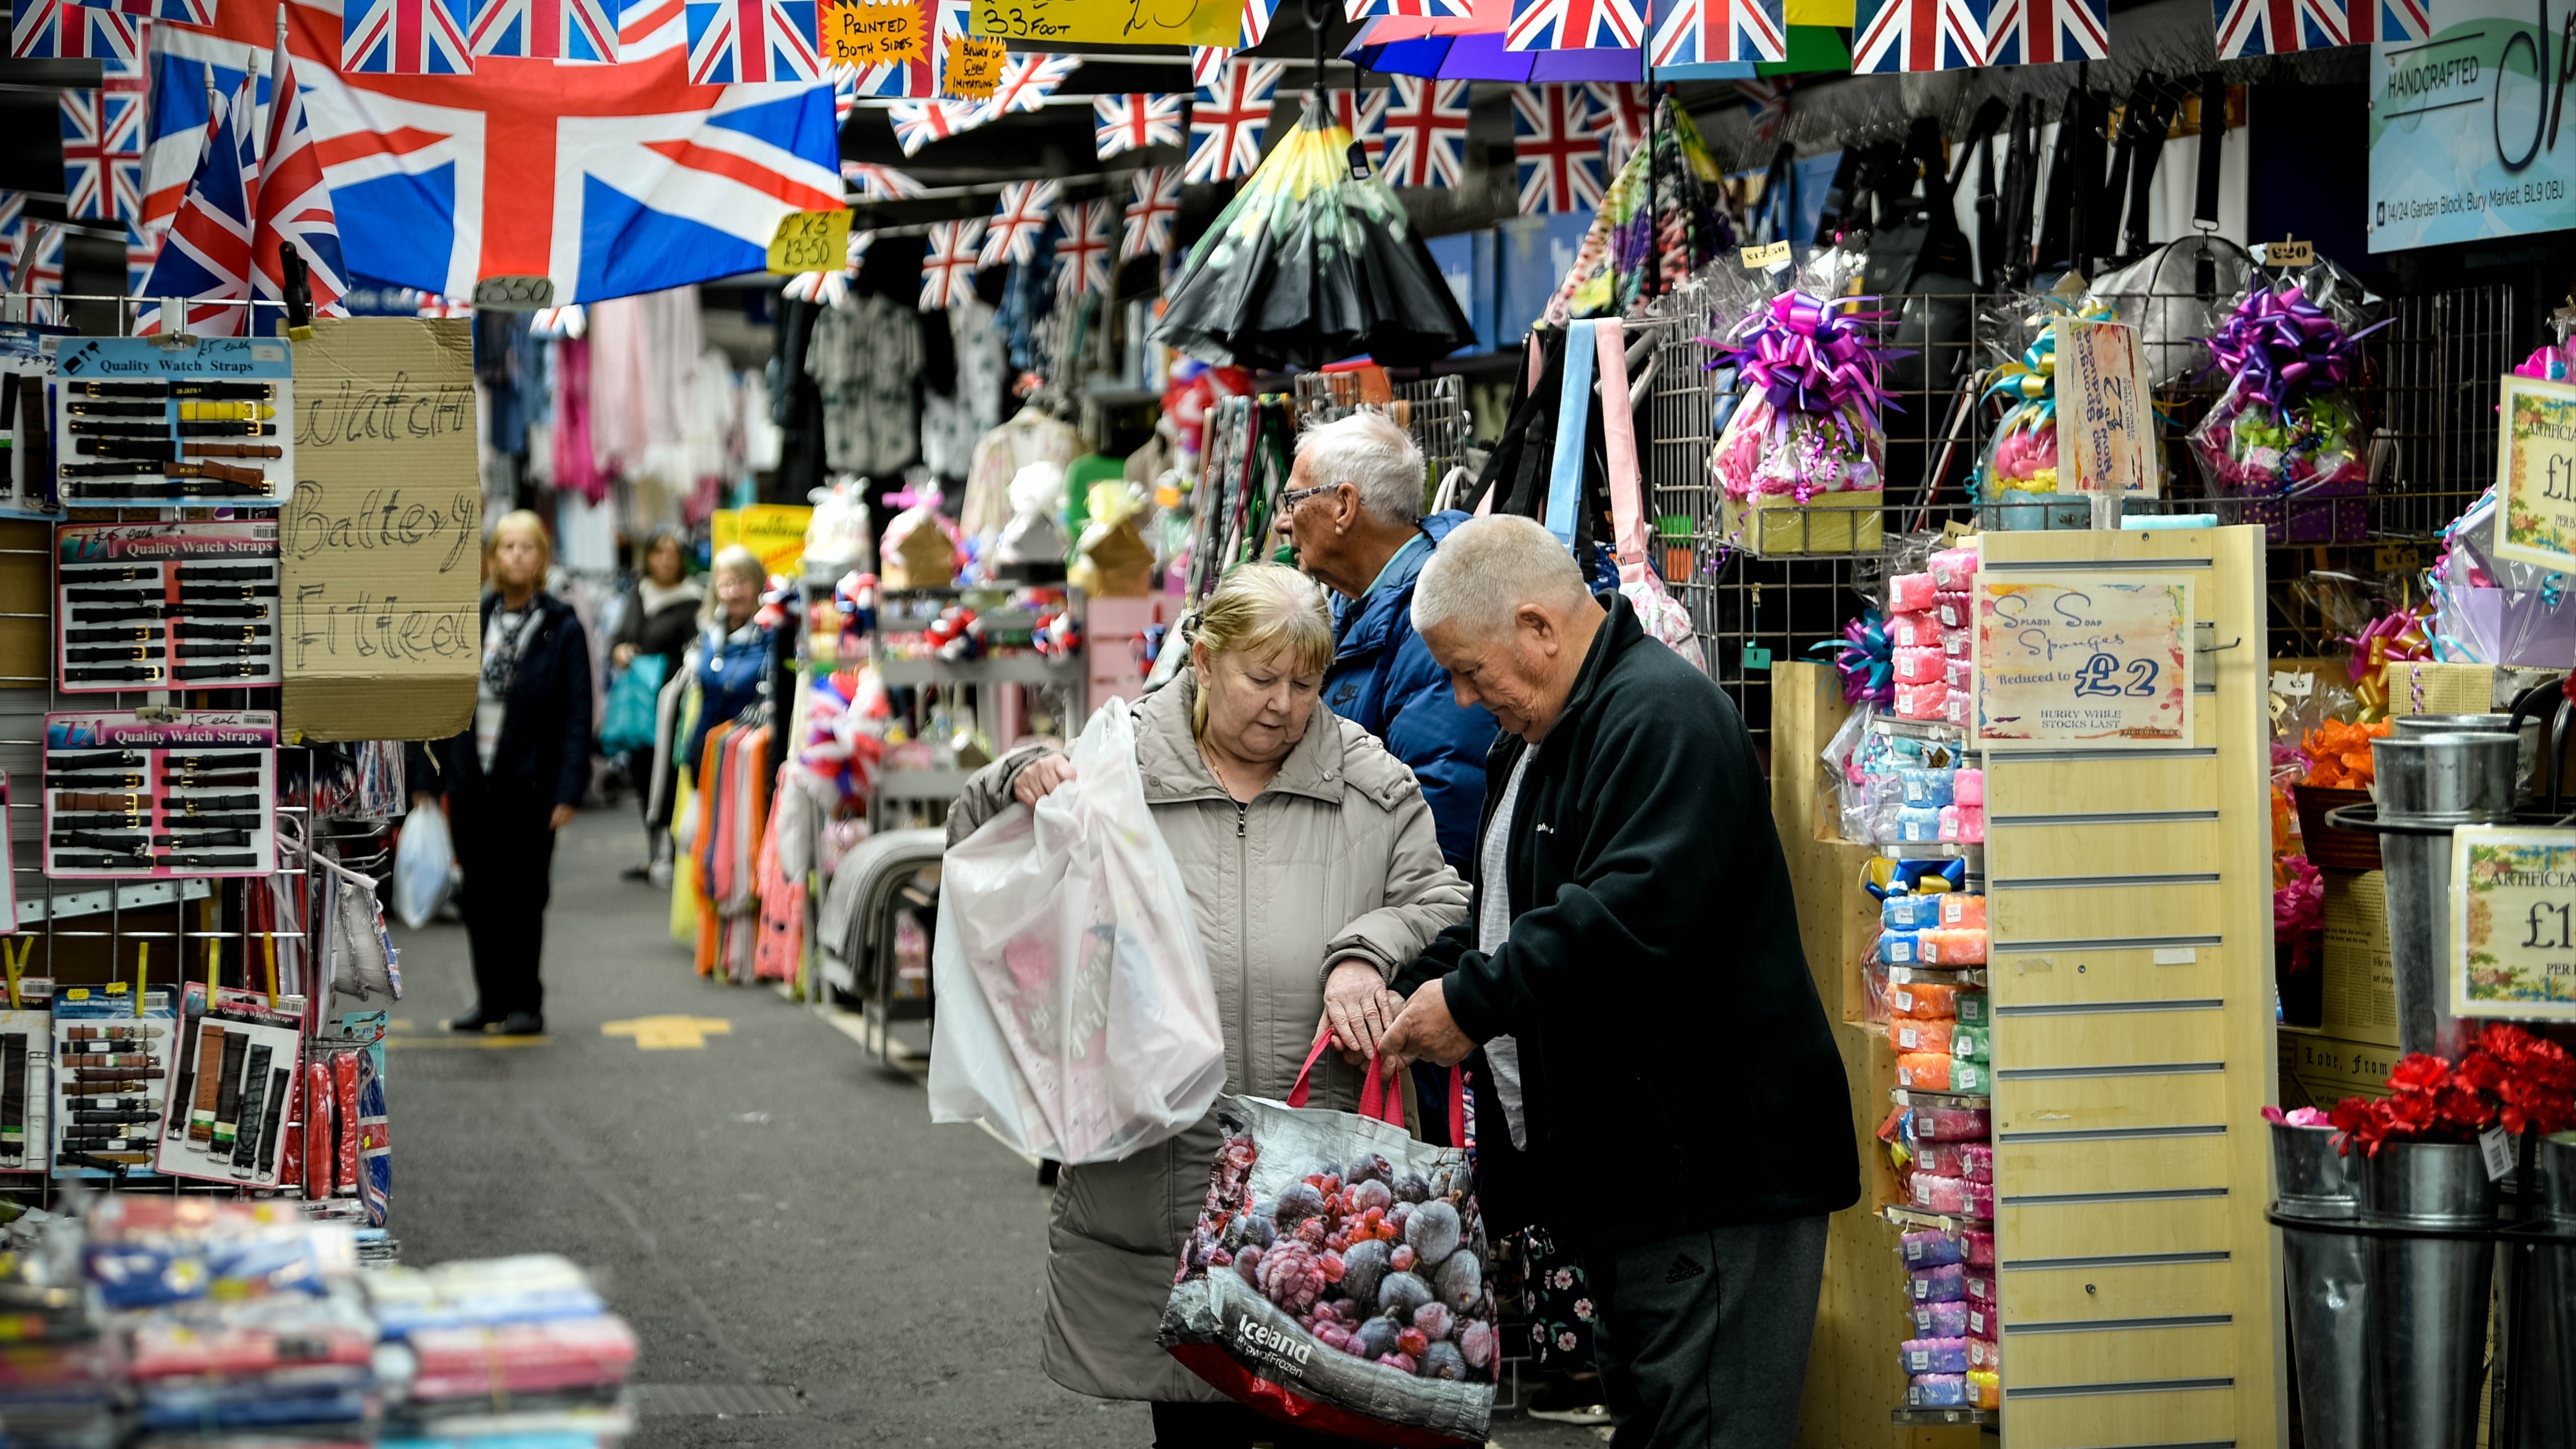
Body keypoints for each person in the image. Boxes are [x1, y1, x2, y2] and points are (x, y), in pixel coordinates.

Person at [944, 563, 1468, 1449]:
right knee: (1194, 1426)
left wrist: (1365, 950)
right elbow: (981, 851)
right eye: (1262, 678)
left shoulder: (1370, 782)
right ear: (1204, 658)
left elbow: (1444, 899)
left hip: (1322, 1171)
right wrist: (1017, 776)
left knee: (1325, 1402)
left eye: (1306, 682)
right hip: (1164, 1165)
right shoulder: (1117, 763)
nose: (1285, 705)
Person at [1376, 515, 1858, 1449]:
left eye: (1470, 670)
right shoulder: (1541, 735)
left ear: (1539, 628)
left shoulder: (1658, 715)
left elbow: (1629, 914)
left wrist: (1472, 1003)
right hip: (1638, 1181)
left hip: (1710, 1176)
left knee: (1707, 1428)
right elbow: (1512, 907)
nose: (1464, 698)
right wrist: (1425, 979)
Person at [1273, 411, 1495, 872]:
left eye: (1292, 500)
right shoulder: (1353, 607)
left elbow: (1443, 820)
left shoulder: (1435, 618)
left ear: (1344, 507)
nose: (1281, 523)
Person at [411, 510, 594, 1038]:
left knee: (524, 896)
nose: (516, 555)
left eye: (527, 547)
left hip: (530, 788)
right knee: (480, 896)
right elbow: (442, 701)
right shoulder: (472, 617)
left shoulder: (561, 626)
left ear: (542, 559)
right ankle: (488, 999)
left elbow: (577, 713)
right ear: (492, 557)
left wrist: (568, 789)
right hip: (472, 784)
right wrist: (427, 776)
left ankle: (524, 1003)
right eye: (507, 546)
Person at [609, 530, 702, 881]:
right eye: (658, 552)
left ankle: (674, 851)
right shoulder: (639, 594)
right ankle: (655, 851)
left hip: (670, 703)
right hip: (638, 705)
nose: (664, 559)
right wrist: (618, 650)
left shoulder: (691, 600)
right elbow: (620, 636)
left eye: (672, 553)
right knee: (642, 772)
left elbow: (691, 651)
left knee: (669, 774)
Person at [680, 545, 773, 783]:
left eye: (742, 581)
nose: (733, 592)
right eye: (725, 584)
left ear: (759, 584)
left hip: (751, 761)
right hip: (705, 753)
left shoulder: (771, 635)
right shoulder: (709, 636)